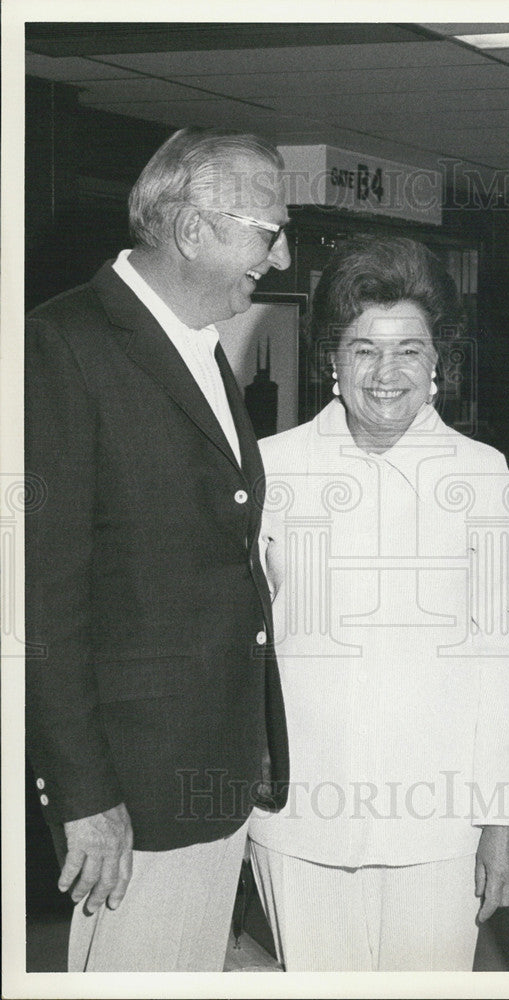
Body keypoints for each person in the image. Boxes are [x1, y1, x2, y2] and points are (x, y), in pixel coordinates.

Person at [25, 127, 292, 972]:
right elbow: (39, 596)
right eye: (267, 231)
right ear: (193, 228)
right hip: (133, 799)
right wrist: (86, 797)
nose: (279, 259)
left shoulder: (200, 348)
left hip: (208, 781)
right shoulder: (62, 345)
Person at [247, 235, 509, 971]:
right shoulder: (272, 471)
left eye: (409, 350)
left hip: (438, 826)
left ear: (439, 362)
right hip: (300, 819)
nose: (386, 374)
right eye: (363, 350)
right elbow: (242, 647)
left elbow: (495, 649)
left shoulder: (480, 474)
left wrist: (503, 816)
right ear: (331, 363)